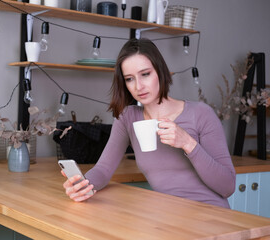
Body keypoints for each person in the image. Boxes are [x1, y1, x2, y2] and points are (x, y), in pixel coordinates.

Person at [62, 38, 236, 208]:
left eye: (145, 74)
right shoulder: (127, 118)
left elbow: (227, 187)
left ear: (160, 71)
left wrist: (188, 143)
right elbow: (103, 170)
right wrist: (82, 184)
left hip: (211, 215)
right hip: (167, 218)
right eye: (129, 79)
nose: (138, 86)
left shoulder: (200, 113)